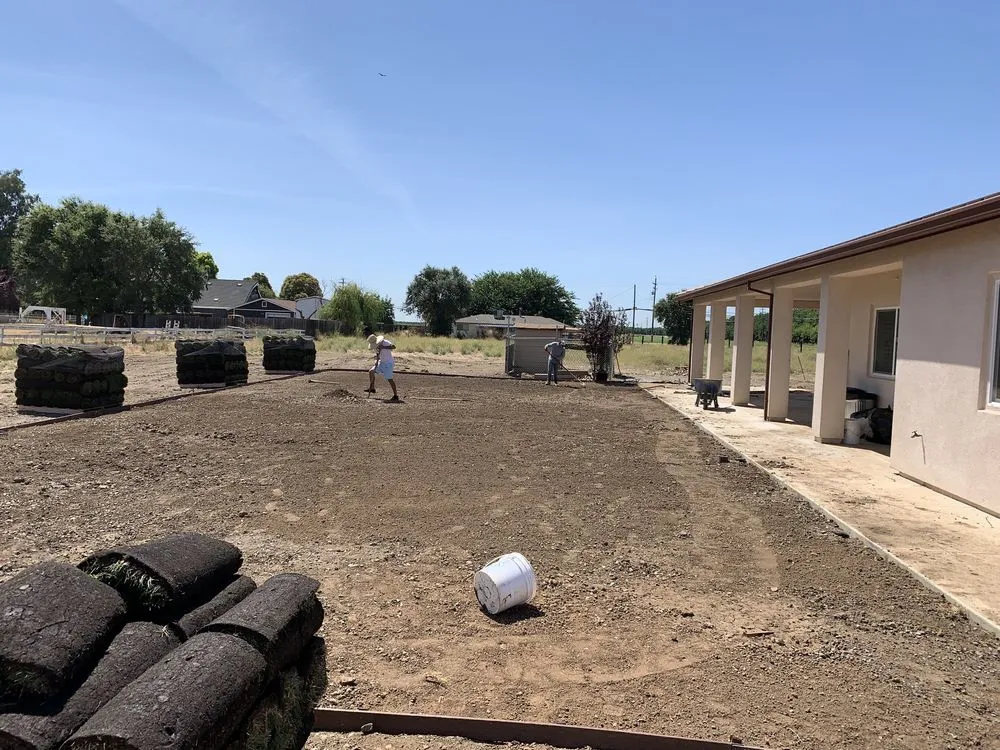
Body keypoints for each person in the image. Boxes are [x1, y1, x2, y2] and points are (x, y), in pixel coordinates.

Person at [366, 333, 400, 401]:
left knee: (389, 379)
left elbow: (393, 347)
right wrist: (376, 361)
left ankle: (396, 395)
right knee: (371, 371)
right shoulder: (375, 346)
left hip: (388, 363)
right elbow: (377, 354)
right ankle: (372, 388)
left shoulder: (385, 342)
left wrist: (384, 347)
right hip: (381, 362)